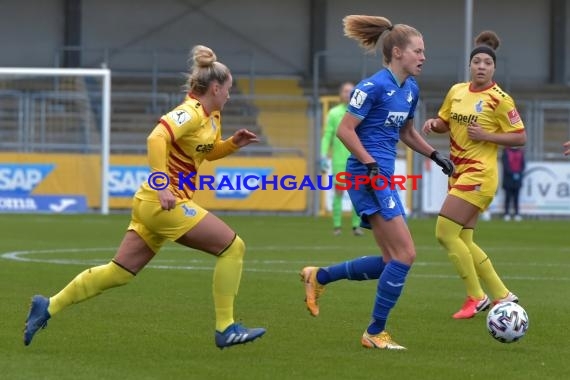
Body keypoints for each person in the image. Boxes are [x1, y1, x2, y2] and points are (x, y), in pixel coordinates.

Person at [23, 45, 266, 349]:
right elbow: (156, 137)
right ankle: (226, 328)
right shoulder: (189, 112)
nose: (230, 95)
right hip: (163, 201)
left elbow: (207, 152)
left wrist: (232, 144)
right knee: (233, 248)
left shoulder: (212, 115)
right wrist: (162, 183)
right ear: (215, 87)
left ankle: (48, 305)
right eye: (228, 89)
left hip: (153, 204)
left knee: (119, 272)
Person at [301, 15, 454, 350]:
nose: (423, 57)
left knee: (391, 260)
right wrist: (370, 163)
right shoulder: (371, 87)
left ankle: (319, 276)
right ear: (397, 52)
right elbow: (345, 130)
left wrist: (435, 155)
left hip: (380, 176)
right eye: (418, 50)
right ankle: (374, 332)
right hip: (368, 176)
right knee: (406, 255)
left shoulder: (410, 89)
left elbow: (407, 132)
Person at [422, 31, 526, 319]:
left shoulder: (500, 99)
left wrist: (487, 135)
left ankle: (475, 297)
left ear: (493, 68)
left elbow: (520, 137)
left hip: (480, 175)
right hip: (458, 173)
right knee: (464, 241)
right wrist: (434, 122)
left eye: (487, 63)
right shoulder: (456, 91)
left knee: (443, 232)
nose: (481, 66)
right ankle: (502, 294)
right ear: (470, 65)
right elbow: (446, 121)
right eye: (477, 61)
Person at [320, 81, 364, 236]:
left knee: (357, 193)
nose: (348, 94)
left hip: (357, 159)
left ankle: (356, 226)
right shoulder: (333, 113)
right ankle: (337, 226)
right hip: (339, 160)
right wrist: (323, 155)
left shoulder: (360, 113)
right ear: (340, 94)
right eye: (345, 91)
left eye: (351, 91)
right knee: (338, 192)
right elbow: (327, 136)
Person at [501, 146, 525, 221]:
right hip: (508, 179)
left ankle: (517, 214)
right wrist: (512, 173)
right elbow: (505, 165)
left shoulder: (521, 152)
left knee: (516, 197)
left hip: (517, 179)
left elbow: (523, 164)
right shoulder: (506, 151)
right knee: (507, 197)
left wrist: (518, 173)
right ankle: (506, 213)